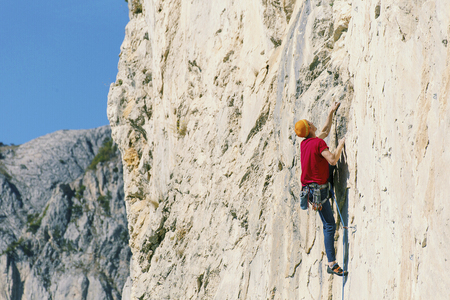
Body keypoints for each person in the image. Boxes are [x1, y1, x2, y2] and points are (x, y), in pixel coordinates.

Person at [295, 102, 347, 276]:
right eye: (309, 122)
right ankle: (332, 264)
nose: (312, 122)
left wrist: (331, 112)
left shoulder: (306, 143)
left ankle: (331, 262)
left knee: (328, 223)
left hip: (310, 190)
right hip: (319, 191)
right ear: (309, 128)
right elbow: (332, 160)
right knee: (329, 225)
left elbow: (325, 130)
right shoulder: (317, 144)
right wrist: (341, 145)